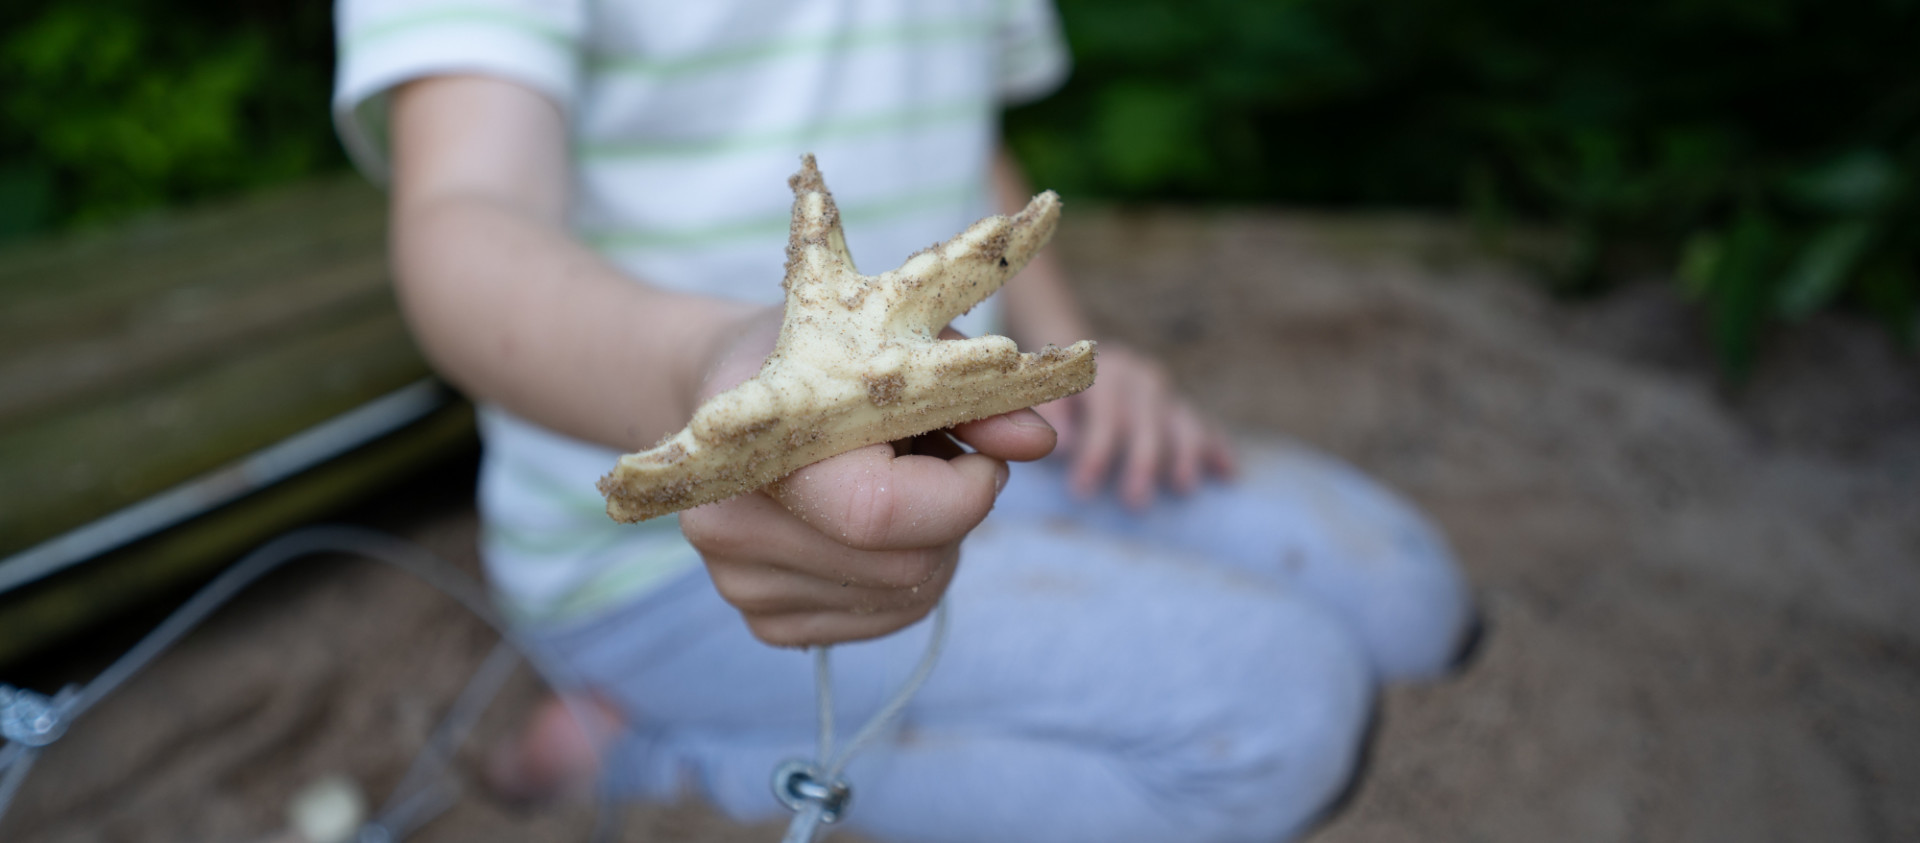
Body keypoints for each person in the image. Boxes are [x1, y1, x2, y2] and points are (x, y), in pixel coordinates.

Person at [332, 1, 1475, 841]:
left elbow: (964, 131)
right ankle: (654, 750)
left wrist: (1070, 350)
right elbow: (463, 219)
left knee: (1409, 598)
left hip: (965, 422)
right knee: (1285, 713)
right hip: (665, 548)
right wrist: (718, 383)